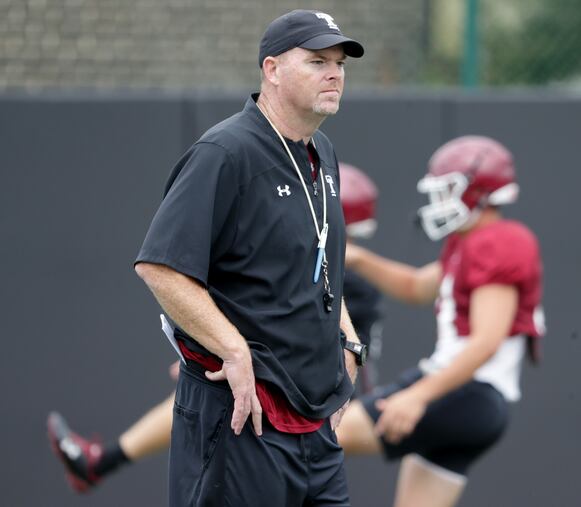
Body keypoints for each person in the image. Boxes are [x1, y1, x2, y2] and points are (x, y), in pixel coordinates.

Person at [134, 10, 366, 506]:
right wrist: (233, 349)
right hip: (243, 417)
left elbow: (318, 259)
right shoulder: (225, 151)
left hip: (315, 425)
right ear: (272, 69)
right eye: (317, 61)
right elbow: (160, 266)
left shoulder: (321, 150)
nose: (334, 74)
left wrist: (346, 336)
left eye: (340, 64)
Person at [46, 163, 384, 494]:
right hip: (307, 399)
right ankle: (101, 462)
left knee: (234, 401)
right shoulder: (327, 270)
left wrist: (231, 358)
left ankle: (100, 463)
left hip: (322, 409)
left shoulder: (349, 281)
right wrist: (219, 352)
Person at [336, 135, 546, 507]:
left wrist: (417, 396)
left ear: (478, 191)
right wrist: (359, 259)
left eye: (448, 189)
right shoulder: (470, 243)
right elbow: (417, 287)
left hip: (464, 391)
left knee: (322, 436)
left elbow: (485, 341)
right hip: (474, 402)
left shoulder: (496, 242)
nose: (439, 201)